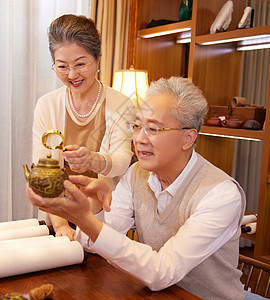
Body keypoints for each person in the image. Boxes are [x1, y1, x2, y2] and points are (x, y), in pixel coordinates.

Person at [27, 76, 246, 299]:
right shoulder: (137, 174)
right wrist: (95, 208)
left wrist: (83, 218)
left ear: (188, 138)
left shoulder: (220, 194)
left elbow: (162, 271)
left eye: (153, 129)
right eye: (137, 126)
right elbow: (93, 244)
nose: (139, 139)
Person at [31, 14, 134, 241]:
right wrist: (60, 226)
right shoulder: (46, 105)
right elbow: (44, 172)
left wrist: (93, 160)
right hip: (57, 217)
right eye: (62, 66)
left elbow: (121, 160)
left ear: (97, 60)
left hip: (105, 222)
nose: (72, 75)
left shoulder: (122, 104)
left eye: (80, 64)